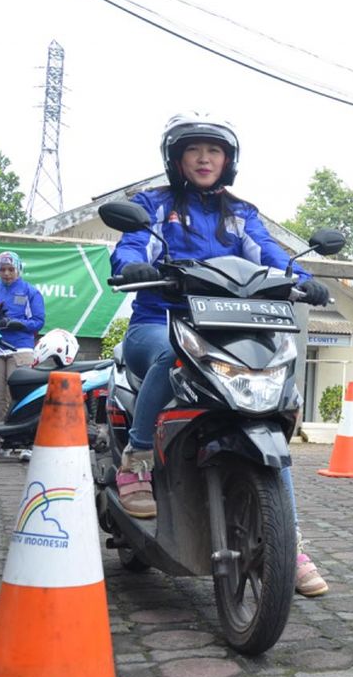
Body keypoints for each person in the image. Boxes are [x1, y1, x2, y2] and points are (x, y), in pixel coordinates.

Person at [108, 112, 330, 595]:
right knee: (173, 356)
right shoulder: (152, 204)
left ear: (228, 161)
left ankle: (286, 542)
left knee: (267, 418)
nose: (205, 158)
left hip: (228, 329)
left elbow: (269, 254)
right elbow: (131, 245)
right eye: (194, 150)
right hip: (159, 323)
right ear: (177, 158)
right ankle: (138, 458)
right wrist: (131, 267)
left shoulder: (241, 213)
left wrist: (302, 280)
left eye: (215, 151)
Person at [0, 250, 46, 461]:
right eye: (2, 269)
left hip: (20, 350)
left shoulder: (30, 291)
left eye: (10, 269)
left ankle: (27, 444)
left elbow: (39, 321)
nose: (6, 273)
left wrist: (17, 324)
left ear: (18, 269)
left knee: (21, 398)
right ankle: (1, 443)